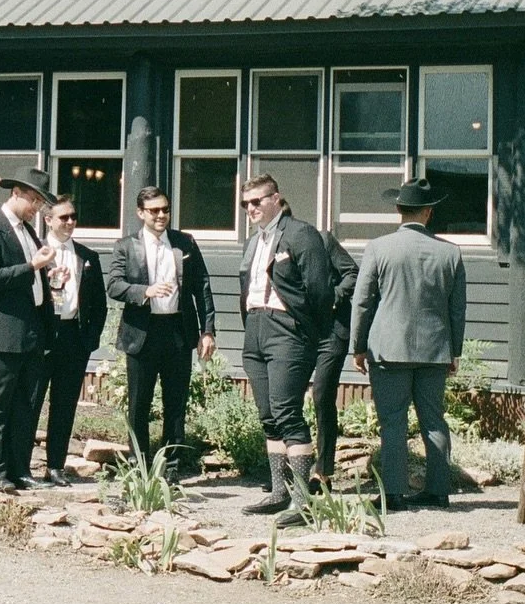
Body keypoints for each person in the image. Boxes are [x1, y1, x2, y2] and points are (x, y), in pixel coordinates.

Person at [349, 177, 466, 511]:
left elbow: (362, 302)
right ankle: (439, 490)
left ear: (399, 209)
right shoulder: (451, 253)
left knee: (393, 422)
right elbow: (457, 309)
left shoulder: (378, 248)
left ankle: (394, 493)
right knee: (434, 421)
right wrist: (454, 351)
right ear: (429, 212)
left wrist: (357, 346)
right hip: (434, 349)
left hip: (388, 348)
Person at [237, 175, 334, 514]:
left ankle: (302, 501)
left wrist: (306, 329)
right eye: (245, 203)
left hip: (288, 331)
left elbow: (320, 290)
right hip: (256, 328)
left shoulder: (300, 233)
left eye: (257, 201)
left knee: (287, 411)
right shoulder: (255, 241)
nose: (250, 208)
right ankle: (279, 493)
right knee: (268, 416)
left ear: (275, 198)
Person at [107, 187, 216, 474]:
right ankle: (140, 466)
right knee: (139, 405)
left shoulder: (185, 243)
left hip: (177, 331)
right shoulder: (126, 246)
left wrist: (208, 331)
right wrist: (146, 290)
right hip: (142, 333)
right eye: (154, 210)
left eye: (165, 209)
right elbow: (114, 285)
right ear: (140, 213)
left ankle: (172, 467)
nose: (161, 215)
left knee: (175, 404)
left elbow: (202, 288)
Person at [0, 168, 55, 491]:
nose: (37, 208)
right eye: (34, 200)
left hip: (31, 333)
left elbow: (30, 278)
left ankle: (19, 470)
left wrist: (46, 274)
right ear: (16, 192)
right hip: (3, 334)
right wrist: (32, 266)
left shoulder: (30, 233)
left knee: (25, 407)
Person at [31, 194, 108, 485]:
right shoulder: (36, 251)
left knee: (64, 404)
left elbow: (99, 304)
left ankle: (55, 465)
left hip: (74, 337)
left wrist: (90, 338)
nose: (70, 222)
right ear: (48, 220)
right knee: (32, 400)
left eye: (73, 216)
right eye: (64, 217)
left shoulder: (87, 256)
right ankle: (21, 465)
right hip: (43, 336)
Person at [311, 229, 359, 487]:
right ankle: (288, 467)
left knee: (322, 394)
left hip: (332, 331)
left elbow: (352, 272)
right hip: (298, 332)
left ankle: (323, 471)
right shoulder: (273, 246)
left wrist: (336, 295)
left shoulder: (323, 240)